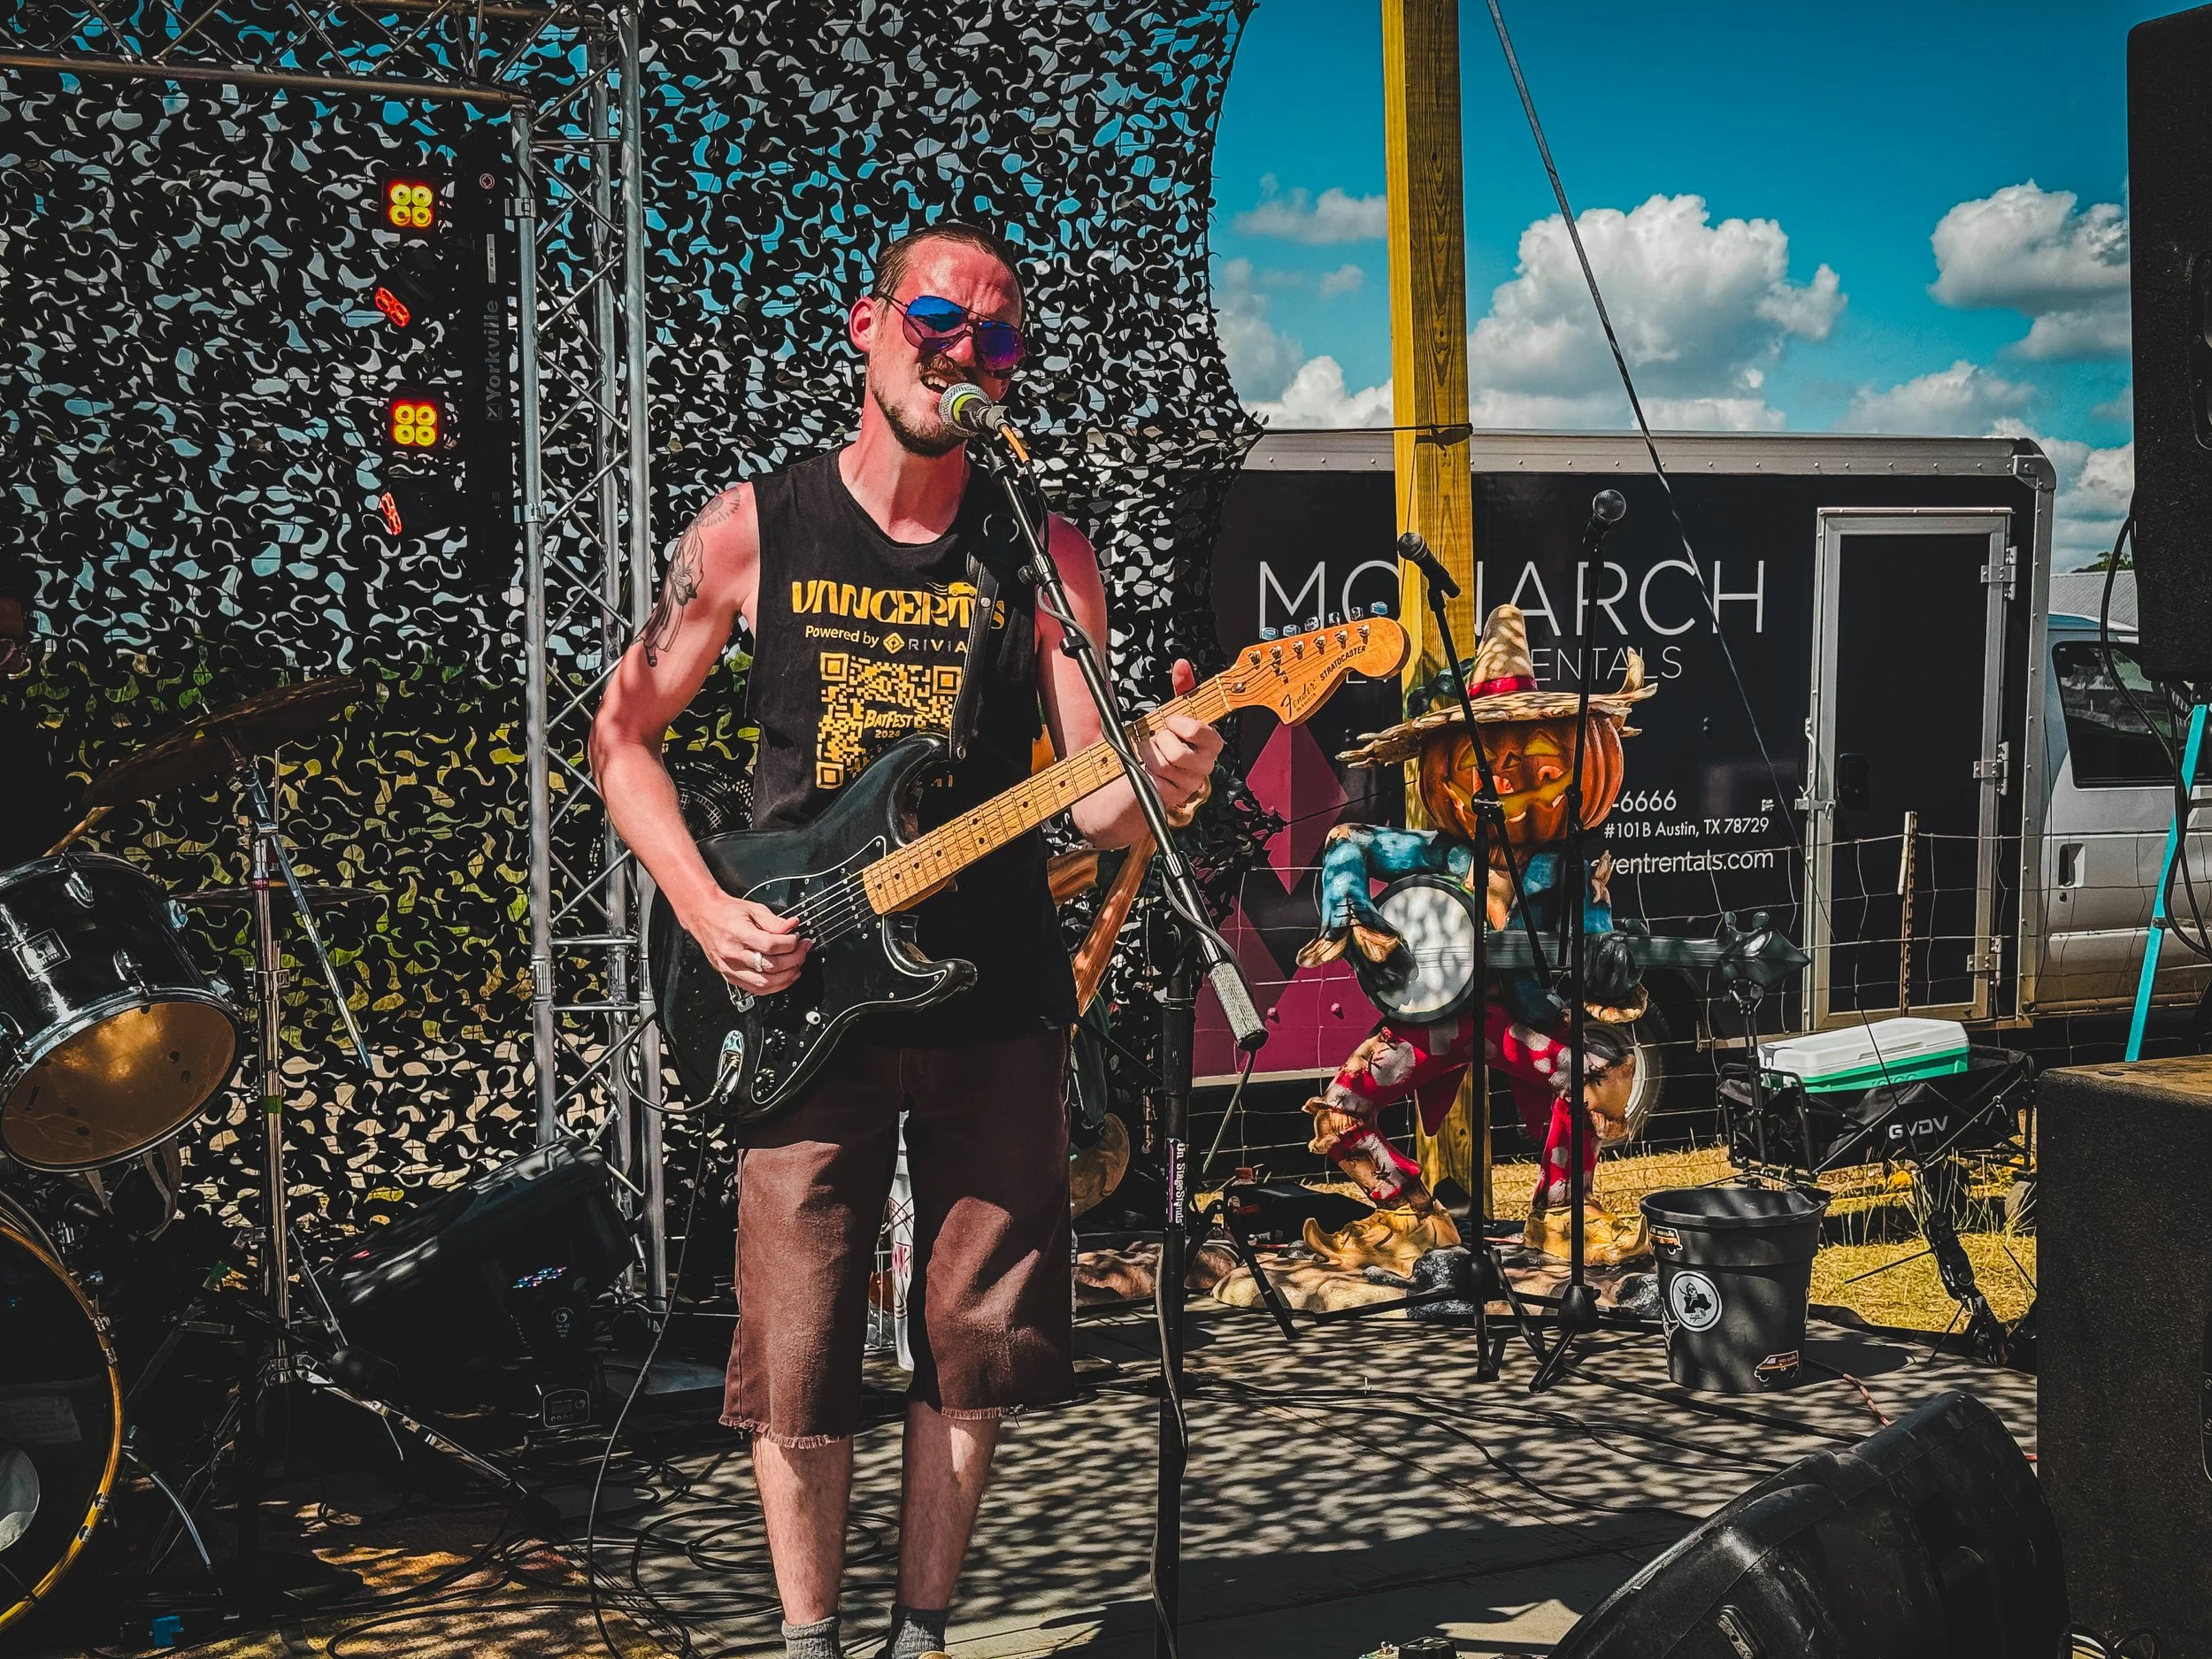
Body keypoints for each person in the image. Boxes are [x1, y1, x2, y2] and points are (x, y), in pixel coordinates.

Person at [589, 220, 1221, 1659]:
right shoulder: (759, 524)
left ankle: (921, 1636)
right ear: (869, 326)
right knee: (798, 1354)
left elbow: (1102, 800)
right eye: (939, 318)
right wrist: (702, 902)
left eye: (997, 338)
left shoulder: (1046, 552)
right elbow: (619, 736)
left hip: (993, 988)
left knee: (974, 1340)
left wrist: (1165, 775)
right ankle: (812, 1642)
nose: (964, 351)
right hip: (801, 979)